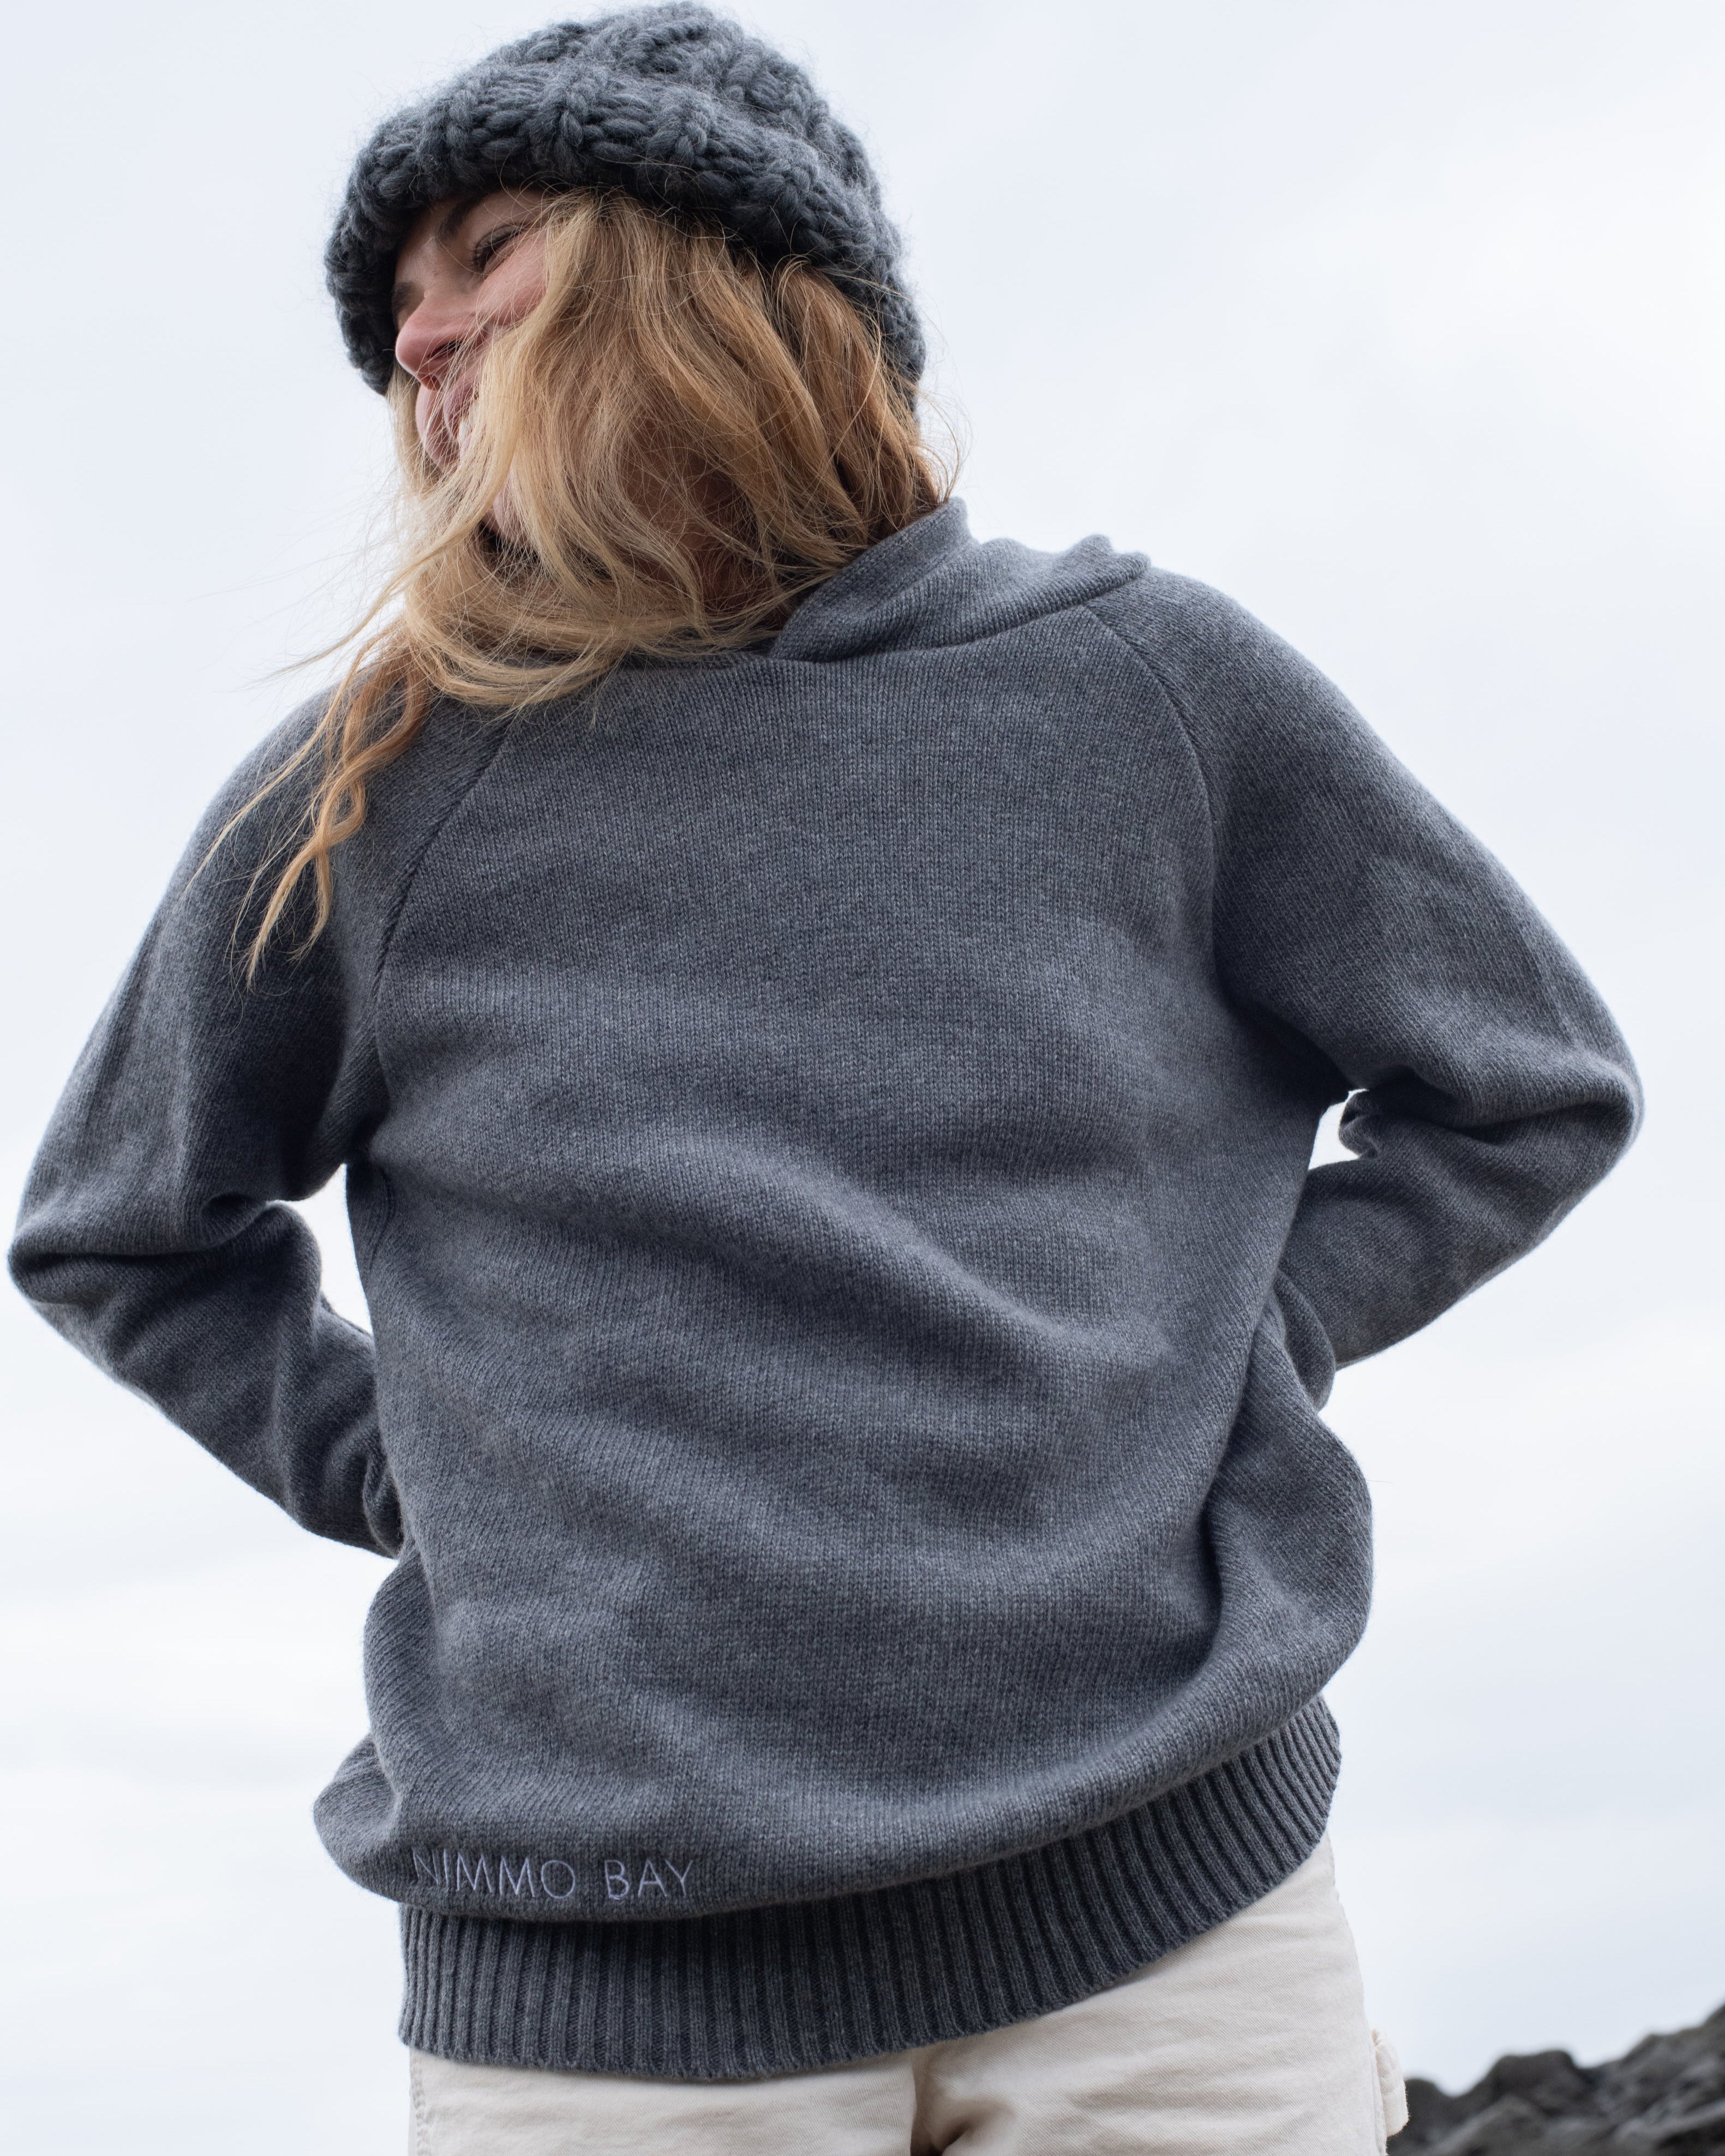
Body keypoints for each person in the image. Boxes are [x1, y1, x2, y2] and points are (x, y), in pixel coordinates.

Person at [9, 6, 1640, 2151]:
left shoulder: (1145, 690)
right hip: (606, 2013)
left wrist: (1227, 1338)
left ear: (718, 263)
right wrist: (426, 1463)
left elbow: (1522, 1081)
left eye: (481, 252)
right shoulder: (379, 788)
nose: (417, 340)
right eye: (390, 314)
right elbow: (118, 1223)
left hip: (1174, 1931)